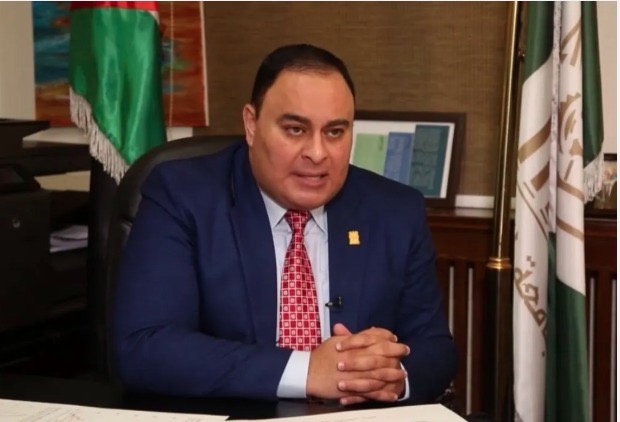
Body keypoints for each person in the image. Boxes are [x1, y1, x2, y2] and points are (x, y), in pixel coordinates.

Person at [112, 43, 457, 405]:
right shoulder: (183, 196)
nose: (317, 153)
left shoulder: (394, 211)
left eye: (335, 132)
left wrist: (390, 376)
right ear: (251, 124)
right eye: (295, 129)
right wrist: (308, 370)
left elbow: (435, 349)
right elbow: (145, 348)